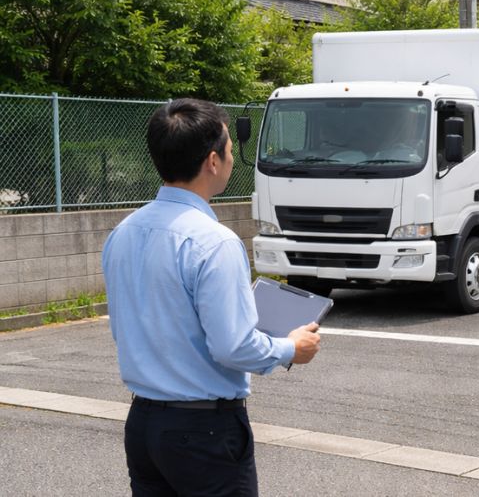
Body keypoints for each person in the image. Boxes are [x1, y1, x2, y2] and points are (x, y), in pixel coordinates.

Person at [103, 98, 321, 496]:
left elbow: (123, 329)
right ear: (213, 161)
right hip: (204, 430)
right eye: (230, 149)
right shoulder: (214, 242)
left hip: (144, 424)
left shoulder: (124, 232)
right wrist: (291, 347)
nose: (232, 158)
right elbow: (233, 346)